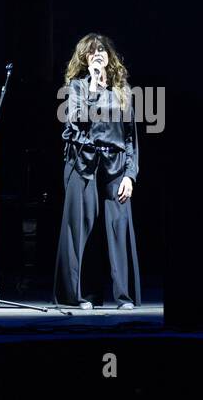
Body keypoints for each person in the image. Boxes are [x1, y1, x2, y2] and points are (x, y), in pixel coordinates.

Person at [53, 34, 142, 309]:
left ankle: (124, 295)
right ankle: (80, 295)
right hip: (83, 164)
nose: (98, 54)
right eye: (92, 52)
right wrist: (92, 86)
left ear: (109, 58)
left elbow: (130, 137)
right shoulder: (76, 87)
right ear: (85, 59)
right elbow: (76, 122)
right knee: (82, 229)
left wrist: (130, 173)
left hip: (115, 165)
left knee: (118, 227)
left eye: (102, 50)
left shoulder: (122, 91)